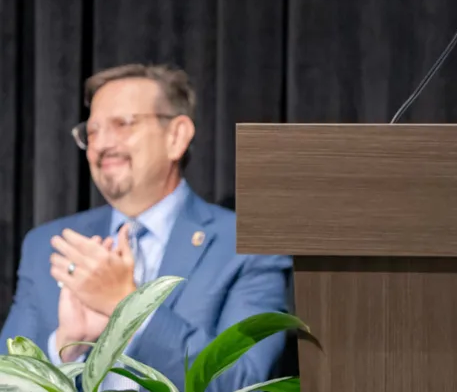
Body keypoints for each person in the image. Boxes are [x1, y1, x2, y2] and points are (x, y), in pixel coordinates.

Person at [0, 63, 292, 390]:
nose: (101, 144)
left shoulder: (247, 243)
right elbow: (6, 380)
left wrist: (128, 309)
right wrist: (64, 348)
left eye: (122, 124)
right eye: (92, 132)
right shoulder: (49, 244)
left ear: (176, 136)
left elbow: (243, 381)